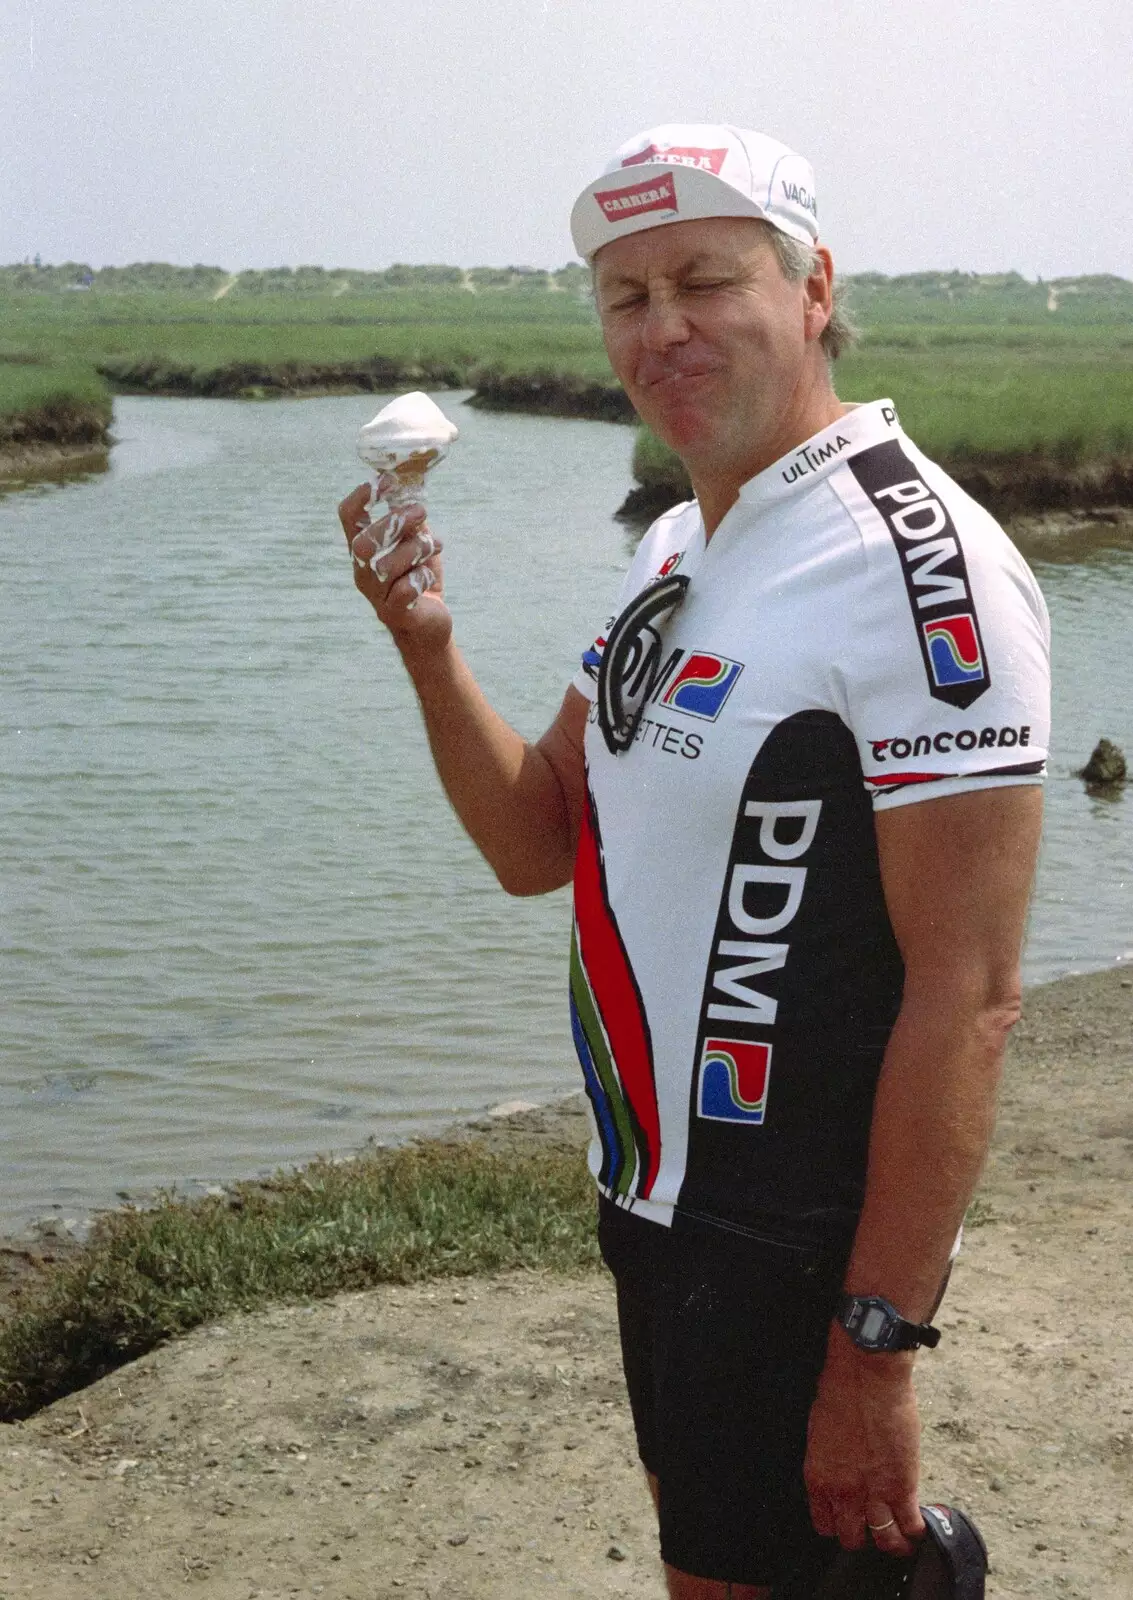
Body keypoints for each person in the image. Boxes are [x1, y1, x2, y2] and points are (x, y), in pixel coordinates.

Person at [339, 123, 1050, 1599]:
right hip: (654, 1199)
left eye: (707, 282)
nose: (662, 330)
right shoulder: (676, 547)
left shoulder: (926, 573)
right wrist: (427, 648)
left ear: (812, 290)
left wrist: (877, 1351)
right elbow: (539, 838)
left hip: (795, 1227)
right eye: (627, 297)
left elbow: (970, 997)